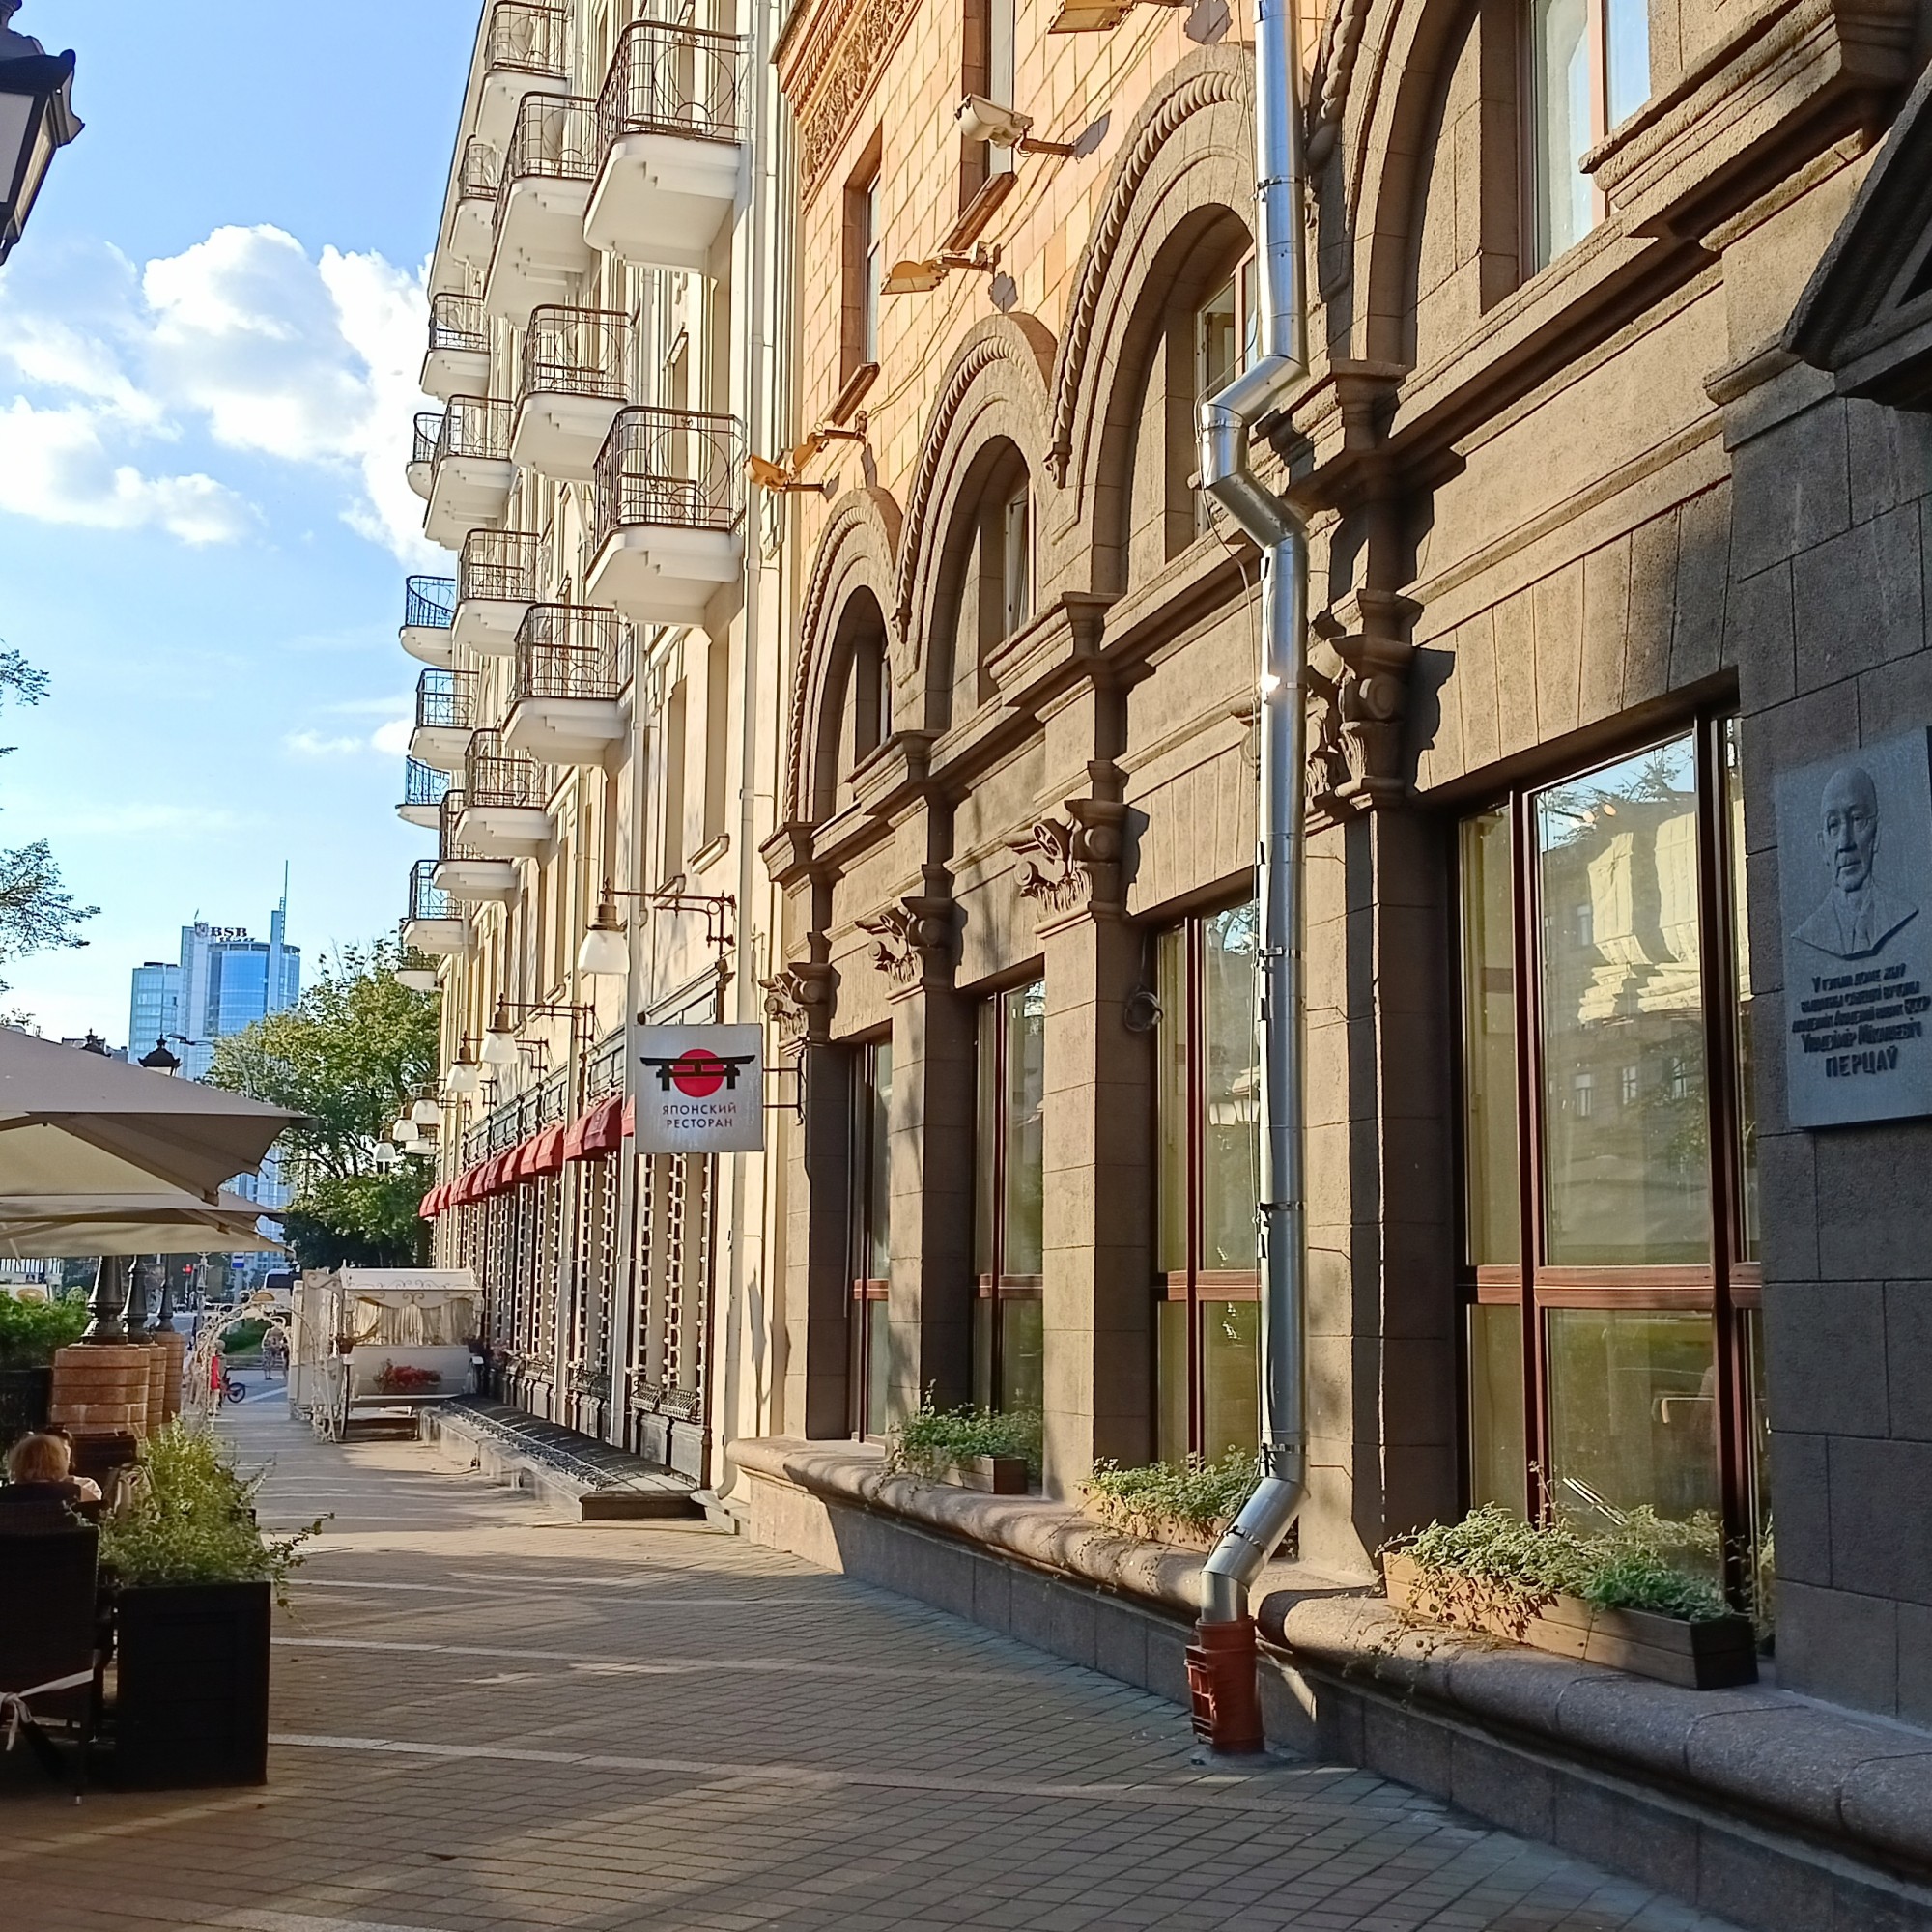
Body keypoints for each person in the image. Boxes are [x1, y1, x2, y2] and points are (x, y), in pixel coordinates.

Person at [1795, 765, 1920, 961]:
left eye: (1857, 819)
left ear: (1877, 833)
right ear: (1822, 845)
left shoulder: (1903, 913)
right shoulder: (1809, 932)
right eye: (1833, 825)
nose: (1845, 843)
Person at [0, 1432, 102, 1527]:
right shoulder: (79, 1494)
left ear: (18, 1463)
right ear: (59, 1462)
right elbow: (103, 1526)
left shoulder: (4, 1496)